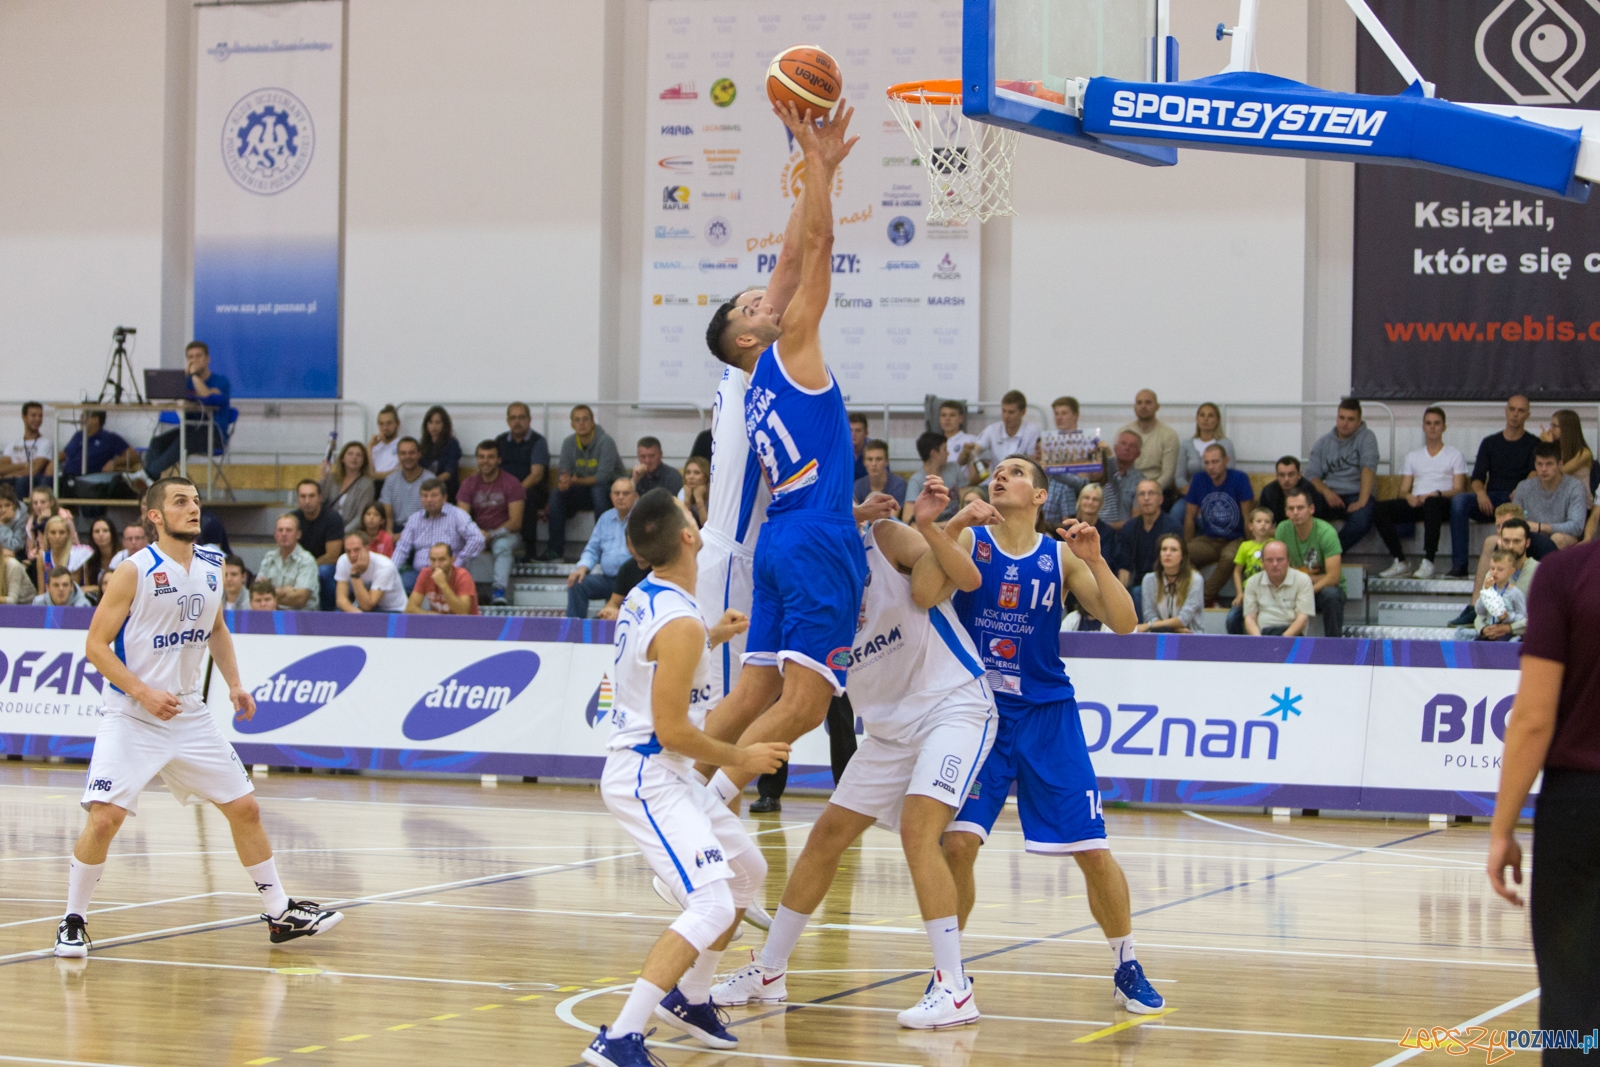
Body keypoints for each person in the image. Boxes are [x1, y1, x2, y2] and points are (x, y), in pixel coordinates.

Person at [712, 479, 999, 1028]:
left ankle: (954, 988)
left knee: (921, 830)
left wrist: (941, 527)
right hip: (889, 732)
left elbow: (939, 587)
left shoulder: (885, 537)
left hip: (952, 706)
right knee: (826, 836)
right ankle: (770, 970)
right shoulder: (812, 572)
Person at [53, 476, 342, 959]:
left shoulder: (212, 564)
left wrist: (234, 683)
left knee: (245, 807)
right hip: (132, 714)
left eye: (196, 501)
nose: (193, 509)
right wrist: (142, 692)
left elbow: (218, 628)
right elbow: (95, 647)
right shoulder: (133, 570)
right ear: (155, 516)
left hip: (189, 713)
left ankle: (279, 913)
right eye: (180, 502)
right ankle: (72, 920)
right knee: (105, 818)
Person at [692, 100, 876, 821]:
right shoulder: (790, 350)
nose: (760, 299)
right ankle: (704, 809)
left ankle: (678, 789)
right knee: (802, 707)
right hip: (813, 542)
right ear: (744, 335)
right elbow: (820, 247)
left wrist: (811, 168)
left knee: (752, 693)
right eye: (747, 306)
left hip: (782, 539)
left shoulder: (756, 380)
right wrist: (822, 172)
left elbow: (794, 258)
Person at [929, 454, 1163, 1015]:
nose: (1001, 476)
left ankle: (1126, 963)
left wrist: (1098, 562)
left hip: (1047, 714)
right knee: (957, 844)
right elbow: (925, 587)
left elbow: (1126, 623)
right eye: (997, 472)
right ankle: (949, 979)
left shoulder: (1060, 556)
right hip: (980, 712)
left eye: (1016, 471)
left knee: (1091, 848)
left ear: (1040, 497)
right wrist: (947, 524)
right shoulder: (969, 542)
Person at [578, 491, 784, 1067]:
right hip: (648, 774)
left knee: (748, 870)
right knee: (712, 905)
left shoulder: (649, 598)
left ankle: (690, 997)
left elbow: (655, 662)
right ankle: (619, 1038)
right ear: (689, 537)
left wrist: (711, 636)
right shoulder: (679, 621)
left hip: (654, 766)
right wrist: (740, 759)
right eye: (691, 516)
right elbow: (672, 731)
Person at [1486, 535, 1600, 1057]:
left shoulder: (1565, 573)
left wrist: (1501, 829)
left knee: (1573, 998)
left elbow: (1532, 719)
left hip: (1581, 807)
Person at [1374, 406, 1467, 579]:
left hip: (1441, 503)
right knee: (1379, 508)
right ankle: (1400, 561)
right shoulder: (1413, 456)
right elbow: (1403, 490)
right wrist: (1409, 496)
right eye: (1428, 423)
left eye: (1437, 423)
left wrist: (1436, 494)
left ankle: (1429, 561)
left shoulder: (1455, 454)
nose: (1432, 427)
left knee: (1432, 503)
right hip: (1418, 502)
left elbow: (1459, 489)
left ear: (1444, 427)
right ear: (1423, 427)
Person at [1451, 395, 1538, 577]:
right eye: (1512, 409)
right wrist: (1481, 493)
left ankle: (1515, 568)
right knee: (1459, 501)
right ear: (1506, 411)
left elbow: (1534, 473)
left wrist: (1521, 489)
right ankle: (1460, 565)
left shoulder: (1534, 443)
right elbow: (1476, 478)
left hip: (1516, 499)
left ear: (1527, 415)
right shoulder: (1490, 442)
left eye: (1520, 411)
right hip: (1490, 499)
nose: (1515, 414)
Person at [544, 404, 624, 561]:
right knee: (557, 493)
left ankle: (604, 549)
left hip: (610, 493)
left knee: (598, 490)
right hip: (583, 491)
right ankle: (554, 550)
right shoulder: (568, 443)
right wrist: (564, 482)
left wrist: (574, 480)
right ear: (572, 424)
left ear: (593, 422)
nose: (581, 423)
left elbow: (602, 477)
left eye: (585, 419)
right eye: (577, 420)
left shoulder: (605, 442)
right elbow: (564, 471)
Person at [142, 342, 232, 480]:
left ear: (207, 359)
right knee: (157, 442)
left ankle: (145, 476)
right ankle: (151, 482)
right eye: (190, 357)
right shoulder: (186, 381)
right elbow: (167, 396)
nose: (194, 360)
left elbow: (207, 395)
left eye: (198, 356)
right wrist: (181, 377)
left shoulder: (220, 381)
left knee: (184, 440)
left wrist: (195, 375)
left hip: (214, 434)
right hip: (189, 429)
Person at [1182, 443, 1254, 606]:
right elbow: (1189, 517)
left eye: (1215, 462)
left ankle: (1202, 598)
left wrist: (1249, 546)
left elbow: (1247, 516)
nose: (1210, 467)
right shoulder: (1199, 479)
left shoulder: (1240, 478)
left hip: (1235, 538)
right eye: (1207, 463)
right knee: (1182, 554)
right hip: (1209, 538)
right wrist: (1187, 544)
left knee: (1229, 558)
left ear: (1226, 461)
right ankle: (1196, 593)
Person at [1305, 398, 1379, 553]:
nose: (1345, 423)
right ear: (1336, 418)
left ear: (1359, 422)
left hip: (1356, 494)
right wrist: (1327, 492)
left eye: (1351, 419)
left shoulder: (1367, 437)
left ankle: (1328, 554)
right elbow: (1312, 475)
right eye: (1341, 418)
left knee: (1362, 518)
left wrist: (1362, 500)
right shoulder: (1323, 442)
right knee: (1302, 509)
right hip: (1330, 494)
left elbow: (1368, 468)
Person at [457, 439, 525, 605]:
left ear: (499, 460)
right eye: (481, 457)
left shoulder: (512, 483)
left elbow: (516, 522)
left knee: (502, 546)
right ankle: (462, 592)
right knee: (455, 543)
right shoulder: (469, 483)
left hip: (506, 534)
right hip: (477, 532)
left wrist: (491, 534)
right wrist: (477, 533)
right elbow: (461, 518)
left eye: (490, 457)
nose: (485, 461)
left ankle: (498, 591)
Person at [391, 478, 484, 592]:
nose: (429, 500)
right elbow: (402, 548)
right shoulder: (414, 519)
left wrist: (459, 561)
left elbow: (477, 538)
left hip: (449, 573)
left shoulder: (457, 515)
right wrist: (390, 571)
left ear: (444, 498)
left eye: (434, 495)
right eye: (425, 496)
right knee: (396, 584)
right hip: (420, 574)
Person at [1277, 487, 1345, 637]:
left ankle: (1334, 647)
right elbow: (1279, 570)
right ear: (1286, 512)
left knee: (1332, 595)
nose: (1295, 512)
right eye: (1291, 508)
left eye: (1300, 508)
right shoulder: (1282, 530)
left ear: (1311, 509)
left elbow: (1333, 577)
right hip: (1295, 587)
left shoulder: (1327, 533)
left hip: (1320, 591)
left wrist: (1305, 588)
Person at [566, 477, 638, 618]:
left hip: (632, 580)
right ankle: (574, 630)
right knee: (577, 583)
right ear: (611, 496)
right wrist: (582, 568)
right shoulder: (605, 518)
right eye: (616, 493)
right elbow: (592, 549)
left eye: (625, 493)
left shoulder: (642, 517)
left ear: (635, 496)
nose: (620, 497)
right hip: (608, 579)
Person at [1512, 441, 1588, 557]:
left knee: (1558, 538)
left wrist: (1539, 527)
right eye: (1539, 464)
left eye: (1549, 464)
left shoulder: (1574, 487)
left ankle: (1548, 575)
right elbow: (1514, 519)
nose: (1543, 469)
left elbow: (1576, 526)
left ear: (1560, 464)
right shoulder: (1523, 487)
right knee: (1491, 541)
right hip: (1530, 537)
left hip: (1562, 537)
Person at [1116, 479, 1182, 604]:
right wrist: (1121, 596)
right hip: (1136, 585)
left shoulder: (1172, 527)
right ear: (1137, 500)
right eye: (1141, 494)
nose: (1146, 498)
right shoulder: (1129, 528)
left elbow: (1177, 566)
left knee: (1137, 594)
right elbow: (1124, 567)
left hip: (1165, 585)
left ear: (1161, 499)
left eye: (1151, 493)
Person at [496, 401, 550, 542]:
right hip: (504, 490)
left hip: (531, 490)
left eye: (521, 417)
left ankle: (529, 553)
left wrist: (514, 492)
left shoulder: (538, 442)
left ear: (529, 420)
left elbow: (536, 475)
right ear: (508, 421)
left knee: (525, 497)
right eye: (513, 418)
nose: (517, 422)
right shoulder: (499, 441)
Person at [291, 479, 345, 611]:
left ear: (320, 497)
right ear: (298, 498)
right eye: (303, 496)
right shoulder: (292, 519)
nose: (307, 501)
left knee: (323, 572)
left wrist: (307, 567)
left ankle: (326, 613)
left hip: (326, 566)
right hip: (299, 565)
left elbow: (332, 556)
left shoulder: (333, 518)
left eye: (311, 496)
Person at [56, 409, 138, 496]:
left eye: (83, 417)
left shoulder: (109, 438)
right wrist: (53, 463)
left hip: (92, 481)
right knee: (48, 483)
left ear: (95, 419)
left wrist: (115, 462)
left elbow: (133, 456)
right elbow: (65, 453)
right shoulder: (78, 436)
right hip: (68, 478)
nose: (80, 420)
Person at [1241, 540, 1314, 637]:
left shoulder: (1303, 580)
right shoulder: (1252, 582)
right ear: (1262, 562)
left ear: (1288, 561)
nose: (1275, 564)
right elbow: (1250, 618)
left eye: (1280, 560)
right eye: (1269, 560)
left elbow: (1302, 619)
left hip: (1293, 635)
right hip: (1263, 635)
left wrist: (1281, 641)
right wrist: (1259, 640)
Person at [1225, 507, 1279, 634]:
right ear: (1250, 526)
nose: (1263, 525)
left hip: (1270, 590)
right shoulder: (1245, 546)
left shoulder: (1275, 544)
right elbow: (1237, 571)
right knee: (1232, 618)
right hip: (1249, 592)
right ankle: (1238, 647)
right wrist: (1239, 593)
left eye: (1267, 522)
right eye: (1259, 521)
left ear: (1272, 526)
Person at [1137, 533, 1204, 633]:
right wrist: (1175, 629)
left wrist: (1149, 625)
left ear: (1183, 556)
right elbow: (1149, 616)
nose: (1167, 553)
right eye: (1164, 549)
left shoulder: (1195, 580)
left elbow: (1184, 619)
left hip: (1191, 637)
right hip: (1159, 635)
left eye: (1173, 550)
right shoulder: (1149, 580)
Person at [1117, 389, 1179, 493]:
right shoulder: (1123, 433)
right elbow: (1117, 468)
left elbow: (1168, 474)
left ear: (1157, 407)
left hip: (1157, 489)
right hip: (1127, 488)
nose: (1143, 406)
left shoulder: (1169, 435)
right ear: (1134, 407)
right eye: (1139, 402)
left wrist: (1149, 491)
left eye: (1148, 402)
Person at [1172, 402, 1234, 508]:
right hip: (1191, 495)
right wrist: (1193, 495)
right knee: (1175, 513)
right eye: (1202, 415)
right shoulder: (1187, 444)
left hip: (1217, 496)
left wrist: (1208, 498)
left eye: (1210, 416)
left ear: (1218, 420)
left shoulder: (1225, 444)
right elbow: (1179, 477)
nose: (1205, 419)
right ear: (1197, 419)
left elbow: (1230, 474)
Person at [335, 530, 406, 613]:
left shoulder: (385, 566)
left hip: (392, 610)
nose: (352, 555)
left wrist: (355, 574)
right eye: (348, 551)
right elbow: (341, 599)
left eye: (356, 550)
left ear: (367, 548)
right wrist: (358, 615)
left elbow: (368, 605)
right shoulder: (343, 560)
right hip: (363, 609)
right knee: (338, 613)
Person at [258, 514, 319, 610]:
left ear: (298, 534)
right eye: (280, 530)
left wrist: (270, 596)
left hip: (302, 619)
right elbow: (258, 594)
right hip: (273, 615)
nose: (284, 534)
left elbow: (300, 599)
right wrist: (285, 591)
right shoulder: (268, 558)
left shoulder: (307, 560)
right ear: (275, 535)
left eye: (289, 530)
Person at [973, 389, 1040, 475]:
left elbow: (1032, 462)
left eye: (1011, 412)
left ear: (1023, 412)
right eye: (1004, 411)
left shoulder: (1032, 431)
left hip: (1019, 480)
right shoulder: (992, 429)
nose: (1006, 416)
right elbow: (977, 449)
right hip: (995, 479)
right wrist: (973, 450)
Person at [405, 542, 480, 615]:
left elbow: (463, 612)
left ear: (452, 560)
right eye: (433, 560)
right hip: (438, 624)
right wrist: (428, 615)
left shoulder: (463, 576)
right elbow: (409, 609)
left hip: (466, 625)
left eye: (442, 560)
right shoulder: (426, 573)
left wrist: (443, 584)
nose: (436, 565)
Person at [318, 441, 376, 535]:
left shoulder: (367, 484)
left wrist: (341, 533)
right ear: (342, 458)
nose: (354, 458)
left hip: (351, 532)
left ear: (363, 461)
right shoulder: (331, 478)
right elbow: (320, 501)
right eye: (350, 454)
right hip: (327, 527)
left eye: (358, 455)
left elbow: (361, 516)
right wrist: (323, 478)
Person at [905, 431, 961, 524]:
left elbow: (966, 499)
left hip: (958, 526)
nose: (948, 453)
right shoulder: (916, 481)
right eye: (945, 449)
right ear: (933, 453)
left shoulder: (954, 469)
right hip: (933, 528)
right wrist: (944, 525)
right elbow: (907, 518)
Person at [1473, 549, 1527, 642]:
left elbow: (1522, 615)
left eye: (1500, 569)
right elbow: (1479, 611)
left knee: (1502, 645)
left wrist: (1508, 617)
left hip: (1506, 632)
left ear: (1511, 571)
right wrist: (1485, 592)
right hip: (1490, 628)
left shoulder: (1515, 593)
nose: (1495, 572)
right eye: (1492, 568)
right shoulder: (1489, 589)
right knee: (1475, 645)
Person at [1, 401, 52, 497]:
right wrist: (25, 465)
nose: (37, 419)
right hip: (11, 479)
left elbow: (35, 469)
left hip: (28, 480)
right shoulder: (13, 444)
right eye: (33, 415)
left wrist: (11, 473)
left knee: (21, 481)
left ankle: (20, 510)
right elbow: (1, 468)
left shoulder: (45, 443)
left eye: (40, 416)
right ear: (24, 417)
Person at [1259, 456, 1328, 525]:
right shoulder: (1268, 492)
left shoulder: (1309, 490)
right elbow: (1262, 517)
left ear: (1299, 475)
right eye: (1282, 475)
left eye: (1291, 474)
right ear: (1277, 476)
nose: (1286, 479)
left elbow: (1318, 520)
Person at [379, 437, 427, 533]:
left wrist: (405, 536)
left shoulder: (429, 480)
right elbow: (388, 513)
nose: (407, 456)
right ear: (398, 455)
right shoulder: (391, 480)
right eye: (403, 453)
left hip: (422, 530)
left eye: (411, 453)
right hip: (396, 528)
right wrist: (390, 535)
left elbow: (431, 516)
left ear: (419, 454)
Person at [417, 405, 463, 502]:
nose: (433, 426)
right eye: (430, 422)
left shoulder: (452, 444)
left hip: (446, 490)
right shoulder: (422, 444)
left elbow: (449, 472)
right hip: (425, 490)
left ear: (444, 424)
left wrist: (431, 484)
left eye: (438, 422)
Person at [1100, 431, 1144, 529]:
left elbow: (1135, 520)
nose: (1127, 448)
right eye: (1123, 443)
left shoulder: (1140, 482)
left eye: (1132, 446)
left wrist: (1104, 528)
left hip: (1123, 534)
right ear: (1115, 448)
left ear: (1138, 454)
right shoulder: (1098, 473)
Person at [595, 545, 652, 621]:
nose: (638, 548)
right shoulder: (627, 568)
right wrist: (609, 611)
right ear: (627, 546)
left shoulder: (662, 569)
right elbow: (614, 602)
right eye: (633, 544)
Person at [36, 515, 91, 593]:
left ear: (68, 535)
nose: (57, 536)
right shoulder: (42, 558)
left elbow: (72, 592)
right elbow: (41, 592)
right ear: (46, 535)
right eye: (53, 533)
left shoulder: (76, 556)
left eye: (61, 532)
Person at [854, 439, 907, 508]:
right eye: (870, 459)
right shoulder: (858, 486)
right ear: (864, 462)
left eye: (878, 459)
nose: (874, 464)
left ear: (887, 462)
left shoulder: (898, 484)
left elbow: (892, 516)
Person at [939, 399, 981, 486]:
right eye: (943, 415)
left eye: (952, 415)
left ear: (961, 418)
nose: (947, 419)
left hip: (962, 487)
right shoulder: (934, 442)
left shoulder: (971, 440)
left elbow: (981, 472)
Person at [1541, 408, 1594, 477]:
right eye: (1551, 425)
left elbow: (1559, 474)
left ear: (1566, 428)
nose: (1550, 429)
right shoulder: (1558, 448)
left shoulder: (1584, 453)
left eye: (1554, 426)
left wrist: (1549, 445)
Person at [80, 518, 120, 601]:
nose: (101, 534)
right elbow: (86, 588)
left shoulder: (122, 555)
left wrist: (95, 587)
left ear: (112, 533)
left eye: (105, 531)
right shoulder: (89, 559)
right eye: (97, 531)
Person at [368, 404, 401, 483]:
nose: (385, 428)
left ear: (398, 423)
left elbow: (400, 473)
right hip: (372, 487)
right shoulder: (372, 447)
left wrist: (373, 475)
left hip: (394, 486)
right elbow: (366, 473)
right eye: (381, 424)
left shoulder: (403, 445)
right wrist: (369, 447)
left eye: (389, 423)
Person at [678, 455, 709, 528]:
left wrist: (699, 500)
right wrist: (687, 500)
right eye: (688, 473)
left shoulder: (714, 493)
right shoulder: (683, 492)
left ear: (706, 477)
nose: (691, 477)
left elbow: (706, 527)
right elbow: (684, 526)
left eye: (697, 473)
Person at [0, 486, 26, 558]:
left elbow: (14, 546)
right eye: (0, 506)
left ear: (14, 505)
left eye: (7, 505)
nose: (3, 510)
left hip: (15, 555)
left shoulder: (21, 514)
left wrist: (2, 524)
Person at [849, 411, 871, 481]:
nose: (853, 434)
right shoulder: (839, 451)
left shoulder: (875, 451)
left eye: (858, 430)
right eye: (850, 430)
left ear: (866, 433)